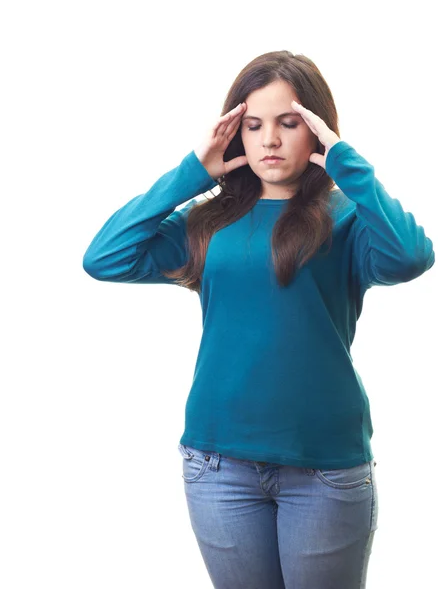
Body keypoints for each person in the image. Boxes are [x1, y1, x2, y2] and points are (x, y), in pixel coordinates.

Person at [82, 50, 435, 589]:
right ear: (235, 134)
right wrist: (189, 176)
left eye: (288, 123)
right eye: (253, 125)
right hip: (218, 467)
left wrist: (346, 163)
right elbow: (104, 257)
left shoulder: (347, 220)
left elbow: (411, 255)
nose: (269, 139)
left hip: (324, 468)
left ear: (315, 129)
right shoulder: (207, 222)